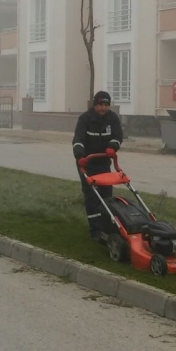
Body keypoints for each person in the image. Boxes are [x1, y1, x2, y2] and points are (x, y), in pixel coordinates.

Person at [72, 91, 123, 243]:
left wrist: (112, 147)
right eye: (100, 105)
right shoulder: (85, 119)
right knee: (91, 196)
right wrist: (80, 156)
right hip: (86, 163)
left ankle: (108, 226)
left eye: (106, 105)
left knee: (107, 196)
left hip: (103, 162)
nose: (103, 108)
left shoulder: (112, 119)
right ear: (94, 105)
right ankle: (95, 230)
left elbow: (118, 136)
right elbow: (78, 140)